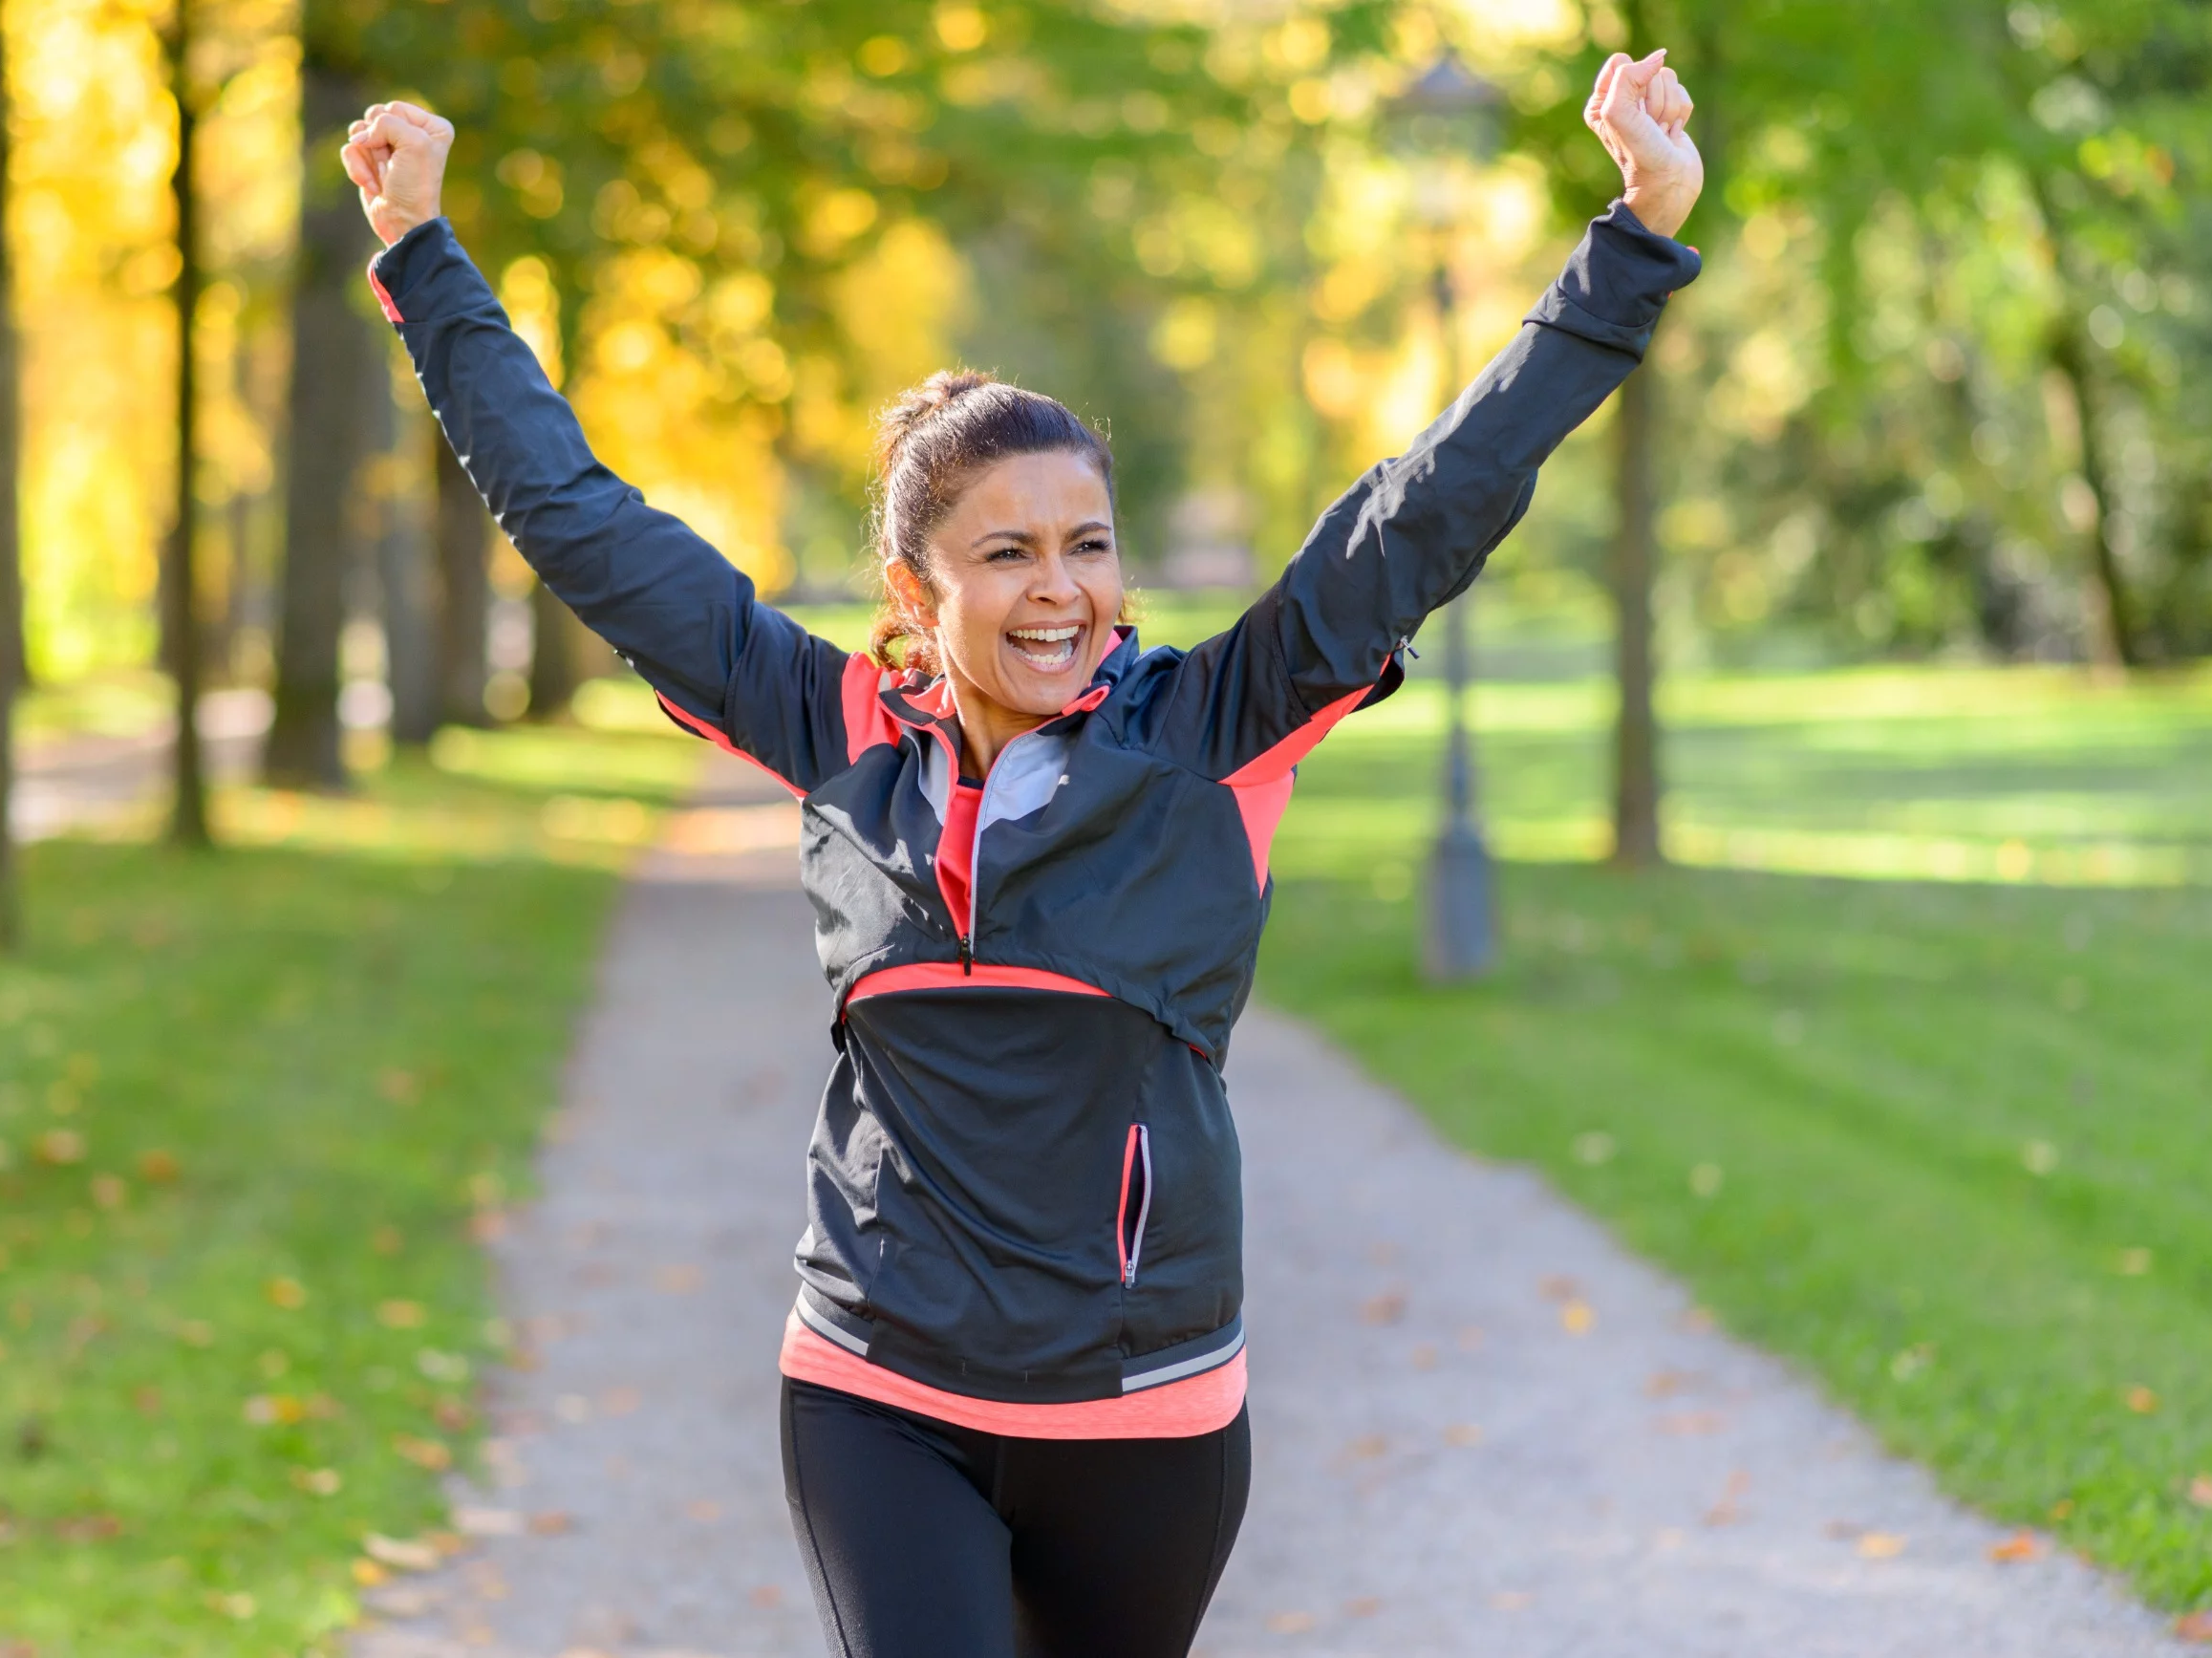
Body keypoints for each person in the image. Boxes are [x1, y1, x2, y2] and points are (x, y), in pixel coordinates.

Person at [342, 47, 1702, 1657]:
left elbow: (1425, 507)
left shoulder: (1215, 729)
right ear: (918, 596)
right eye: (1008, 553)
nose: (1061, 590)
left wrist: (1631, 247)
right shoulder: (832, 721)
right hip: (876, 1383)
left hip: (1146, 1408)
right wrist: (426, 256)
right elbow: (578, 516)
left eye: (1088, 545)